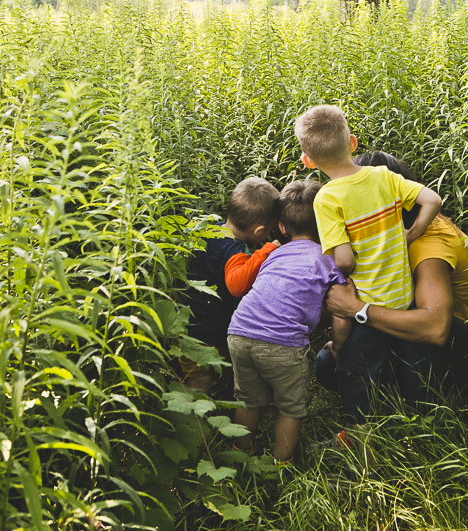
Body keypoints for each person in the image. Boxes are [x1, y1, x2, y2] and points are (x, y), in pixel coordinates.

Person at [294, 105, 443, 432]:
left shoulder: (327, 198)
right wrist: (411, 234)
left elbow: (345, 261)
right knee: (415, 371)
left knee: (358, 376)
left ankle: (363, 440)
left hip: (367, 306)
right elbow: (432, 200)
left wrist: (334, 264)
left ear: (308, 160)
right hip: (404, 301)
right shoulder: (383, 176)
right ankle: (424, 428)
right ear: (352, 142)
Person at [319, 151, 468, 398]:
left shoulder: (427, 246)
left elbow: (435, 328)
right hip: (456, 344)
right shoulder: (399, 234)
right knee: (328, 361)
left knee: (407, 312)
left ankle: (420, 414)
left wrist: (358, 309)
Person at [227, 181, 345, 465]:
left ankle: (241, 455)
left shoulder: (273, 252)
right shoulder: (328, 259)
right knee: (291, 408)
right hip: (282, 342)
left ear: (280, 226)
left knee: (247, 398)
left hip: (239, 330)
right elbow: (341, 311)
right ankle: (280, 468)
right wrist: (339, 347)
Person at [180, 177, 281, 393]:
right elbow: (237, 284)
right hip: (205, 337)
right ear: (259, 231)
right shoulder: (235, 253)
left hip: (185, 324)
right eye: (269, 230)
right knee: (198, 390)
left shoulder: (208, 231)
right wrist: (266, 250)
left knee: (205, 381)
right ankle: (196, 425)